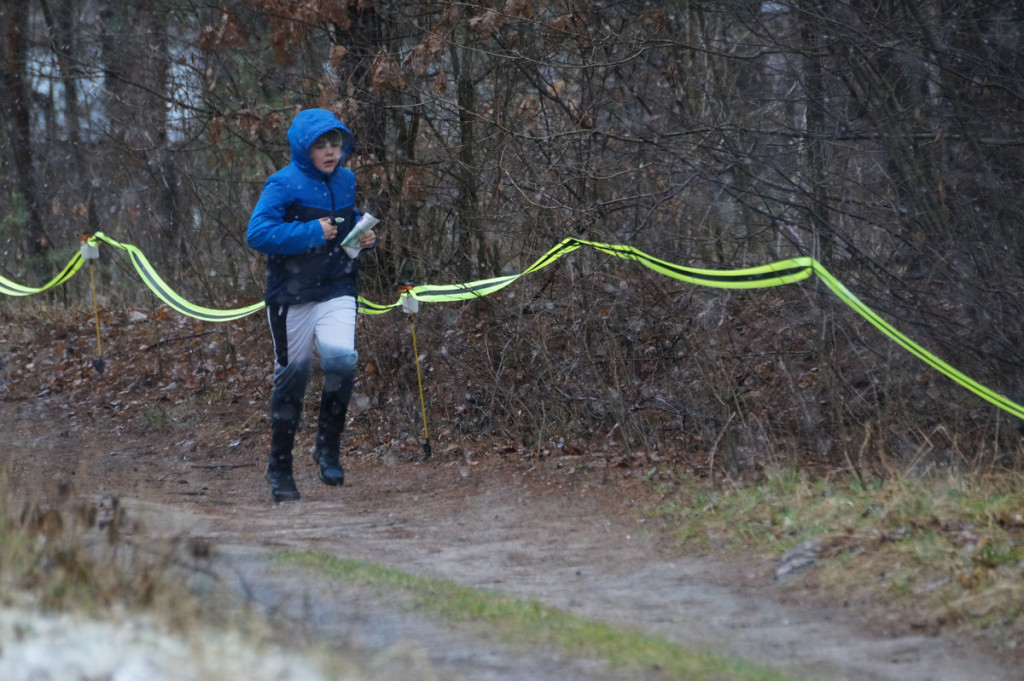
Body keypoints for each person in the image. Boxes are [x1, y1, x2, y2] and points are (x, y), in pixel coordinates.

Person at [246, 108, 377, 503]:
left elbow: (349, 222)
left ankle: (327, 447)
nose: (330, 151)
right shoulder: (283, 184)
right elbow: (258, 233)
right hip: (292, 295)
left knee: (341, 360)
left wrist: (365, 238)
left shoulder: (347, 180)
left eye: (335, 143)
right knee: (294, 377)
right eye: (320, 144)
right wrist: (309, 232)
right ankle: (280, 466)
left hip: (338, 285)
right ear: (304, 148)